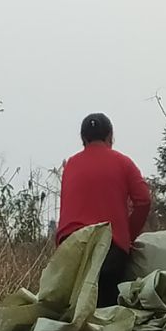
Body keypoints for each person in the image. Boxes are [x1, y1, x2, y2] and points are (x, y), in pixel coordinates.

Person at [56, 113, 151, 308]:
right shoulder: (123, 162)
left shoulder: (71, 164)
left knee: (74, 309)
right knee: (106, 310)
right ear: (110, 137)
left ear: (83, 139)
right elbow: (144, 200)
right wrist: (127, 237)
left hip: (71, 246)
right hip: (109, 246)